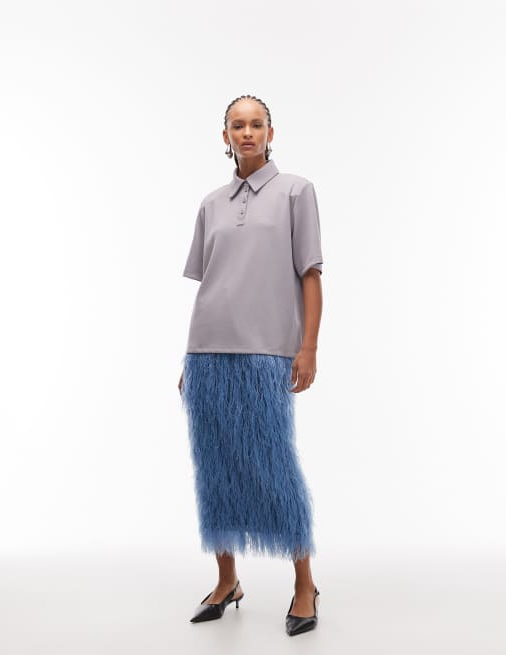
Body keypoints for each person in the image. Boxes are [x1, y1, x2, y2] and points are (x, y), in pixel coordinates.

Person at [178, 94, 323, 636]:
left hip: (267, 351)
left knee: (274, 467)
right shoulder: (211, 203)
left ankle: (304, 584)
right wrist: (190, 357)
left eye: (256, 124)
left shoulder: (296, 192)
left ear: (270, 132)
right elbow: (211, 285)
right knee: (214, 469)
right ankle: (227, 580)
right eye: (237, 125)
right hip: (207, 353)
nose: (246, 133)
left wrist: (308, 348)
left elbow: (311, 275)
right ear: (225, 136)